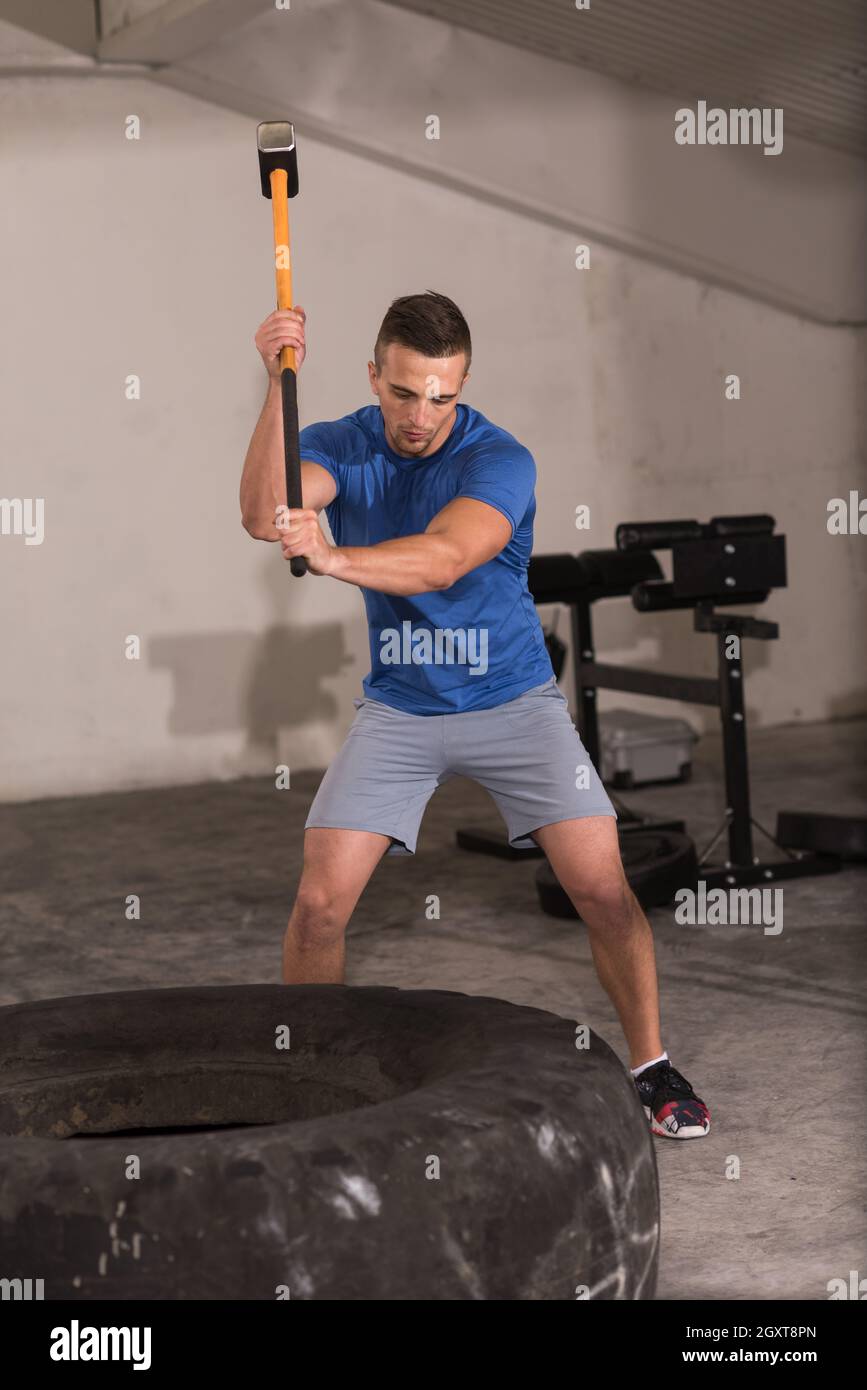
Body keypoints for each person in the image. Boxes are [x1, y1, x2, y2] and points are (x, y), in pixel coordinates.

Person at [239, 290, 710, 1140]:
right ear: (374, 375)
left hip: (513, 704)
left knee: (604, 890)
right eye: (405, 392)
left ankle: (649, 1063)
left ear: (462, 387)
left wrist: (334, 554)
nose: (422, 416)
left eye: (442, 395)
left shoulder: (499, 459)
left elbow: (447, 558)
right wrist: (277, 383)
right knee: (317, 908)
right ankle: (304, 1073)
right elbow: (260, 508)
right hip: (400, 709)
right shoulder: (340, 441)